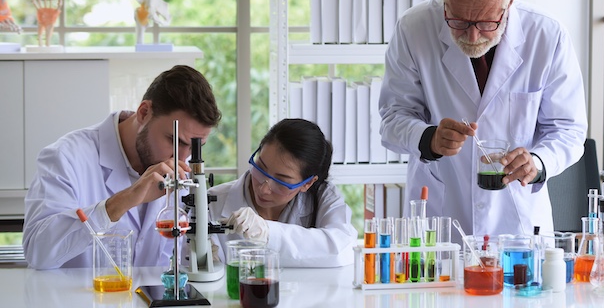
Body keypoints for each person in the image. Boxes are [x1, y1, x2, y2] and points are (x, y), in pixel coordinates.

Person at [378, 0, 587, 238]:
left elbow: (569, 130)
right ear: (444, 1)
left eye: (487, 22)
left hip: (517, 220)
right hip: (442, 215)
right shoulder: (415, 28)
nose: (473, 36)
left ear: (510, 1)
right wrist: (429, 138)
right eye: (459, 21)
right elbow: (393, 119)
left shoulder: (547, 35)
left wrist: (538, 162)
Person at [23, 65, 221, 269]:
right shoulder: (65, 157)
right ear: (144, 113)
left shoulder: (181, 164)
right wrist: (121, 202)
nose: (183, 157)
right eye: (174, 139)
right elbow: (38, 252)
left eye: (194, 147)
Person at [208, 118, 358, 267]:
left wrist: (268, 234)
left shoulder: (322, 196)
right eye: (260, 168)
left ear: (307, 183)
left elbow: (344, 248)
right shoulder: (211, 203)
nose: (264, 189)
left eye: (281, 181)